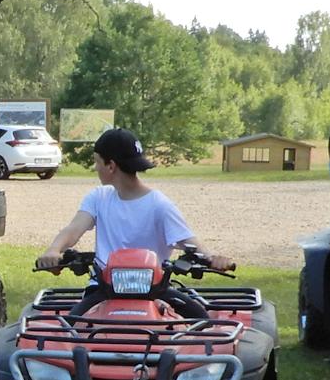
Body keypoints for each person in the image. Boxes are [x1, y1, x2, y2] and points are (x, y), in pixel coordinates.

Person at [35, 129, 235, 317]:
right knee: (72, 326)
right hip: (104, 288)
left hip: (154, 289)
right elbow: (73, 230)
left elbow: (188, 241)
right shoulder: (98, 197)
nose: (95, 168)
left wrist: (212, 258)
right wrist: (54, 250)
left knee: (201, 320)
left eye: (97, 162)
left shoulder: (159, 205)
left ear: (111, 166)